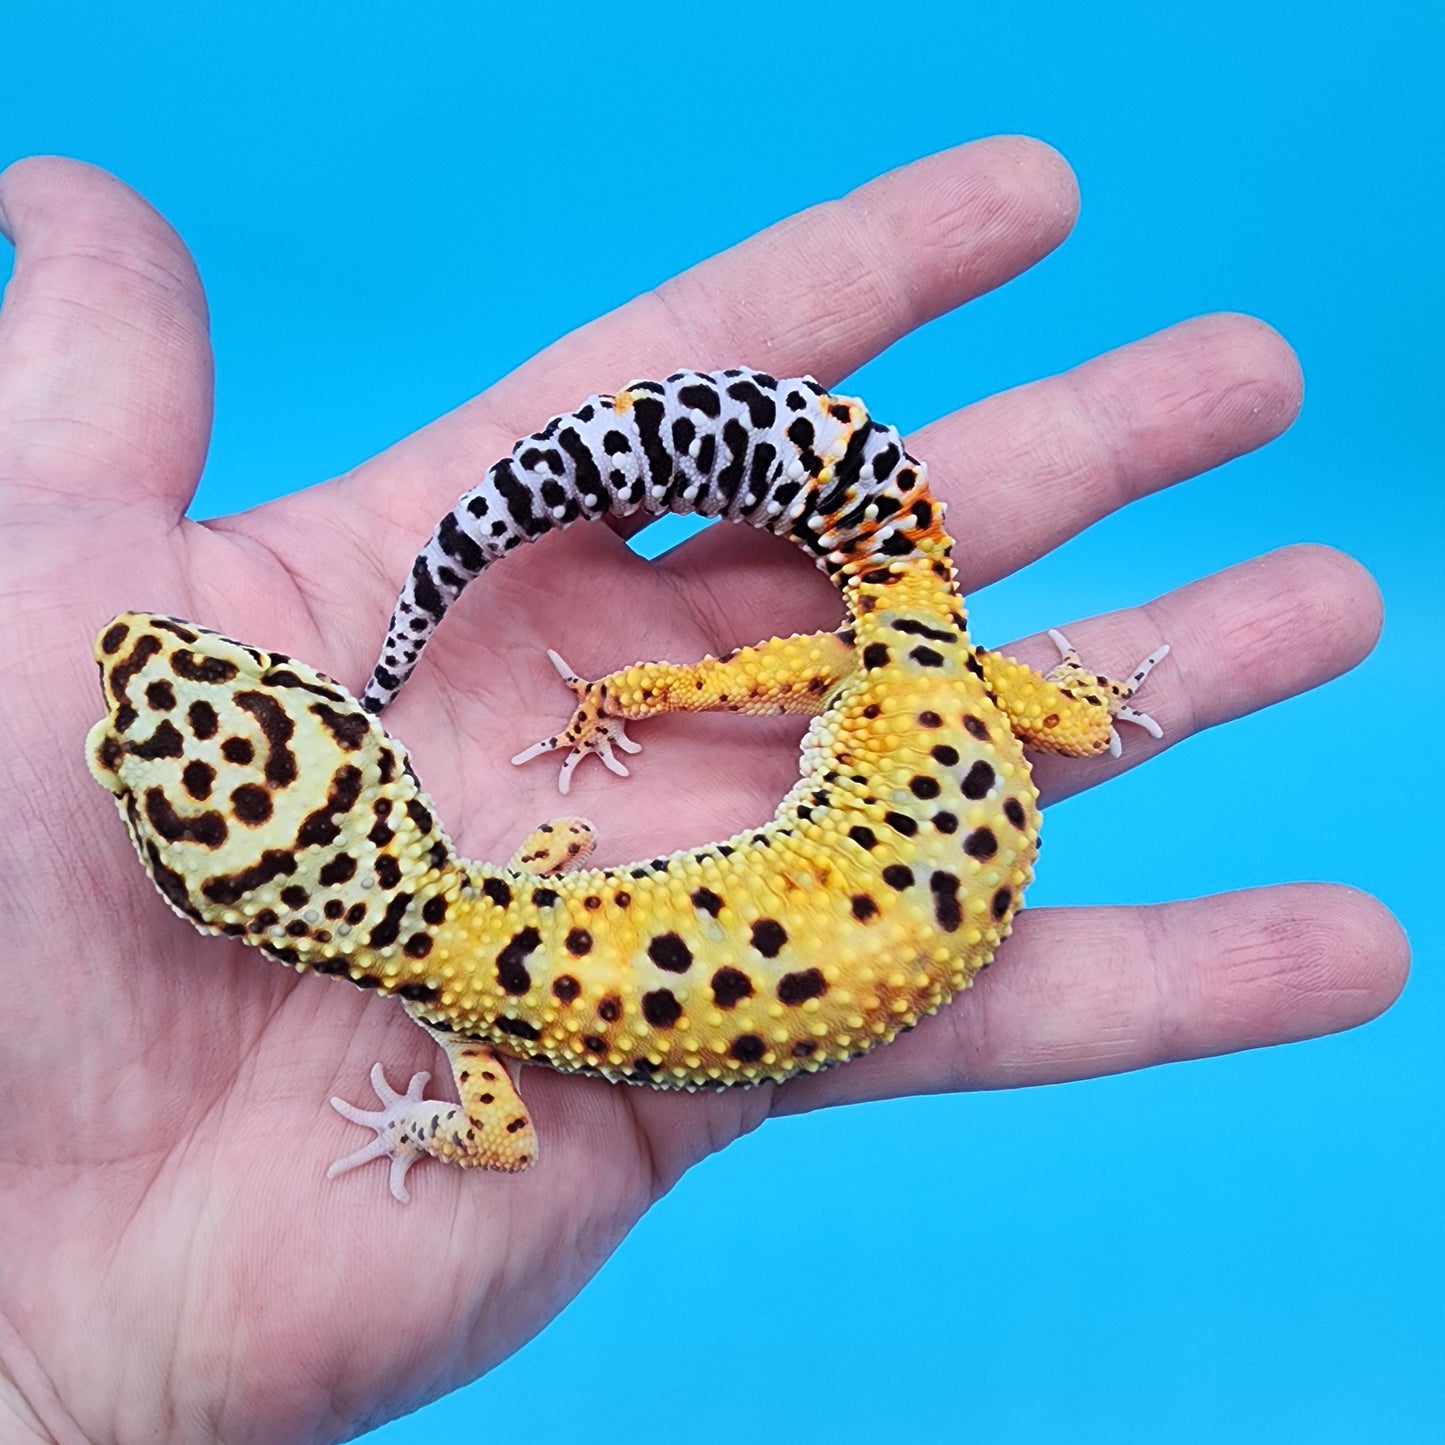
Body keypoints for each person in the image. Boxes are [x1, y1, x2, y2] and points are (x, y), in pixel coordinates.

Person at [0, 138, 1407, 1443]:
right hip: (928, 748)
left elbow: (489, 1131)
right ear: (358, 768)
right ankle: (1058, 697)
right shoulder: (491, 902)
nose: (132, 656)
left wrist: (410, 1123)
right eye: (140, 747)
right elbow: (538, 909)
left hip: (911, 750)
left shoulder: (470, 979)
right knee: (942, 673)